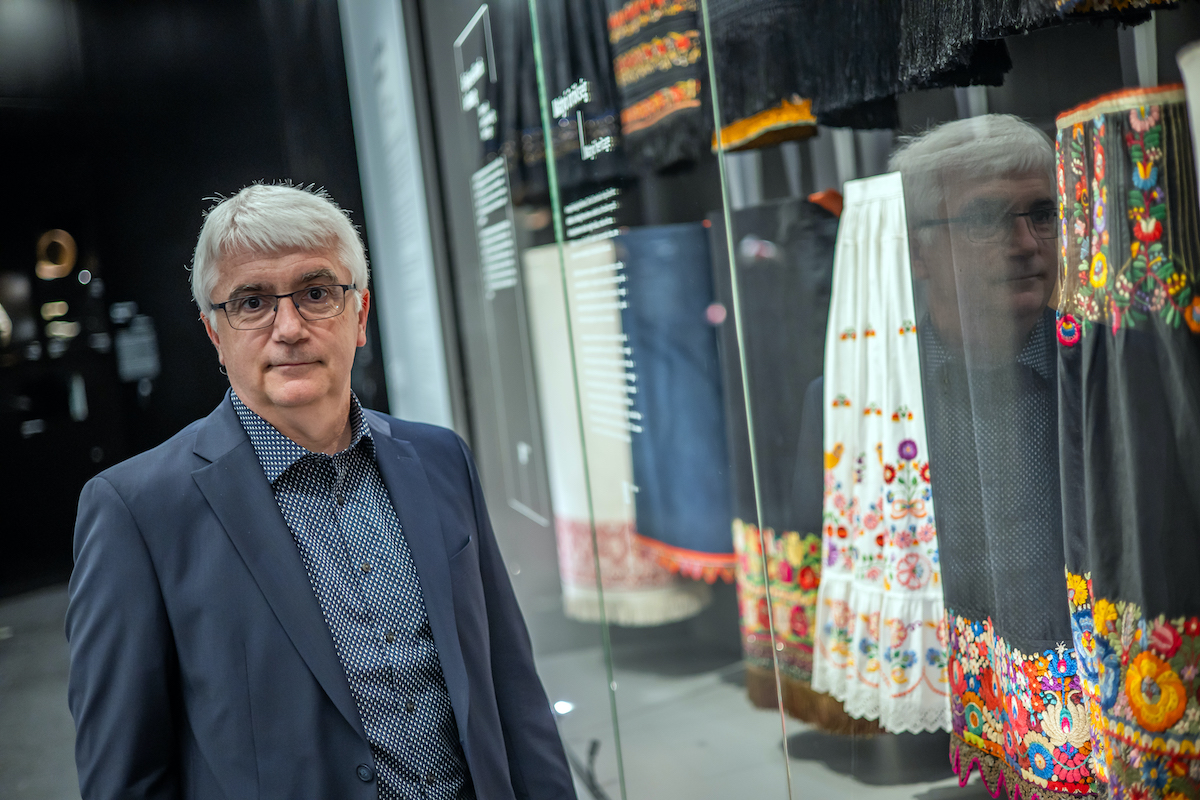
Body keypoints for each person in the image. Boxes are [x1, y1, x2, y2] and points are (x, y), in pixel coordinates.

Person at [65, 184, 577, 800]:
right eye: (252, 302)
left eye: (315, 294)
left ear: (359, 315)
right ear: (215, 335)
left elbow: (513, 689)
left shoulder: (440, 459)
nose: (288, 329)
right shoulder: (137, 512)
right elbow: (125, 778)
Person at [892, 117, 1094, 798]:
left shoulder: (1106, 382)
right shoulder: (879, 400)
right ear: (920, 250)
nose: (1026, 244)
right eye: (985, 220)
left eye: (1044, 214)